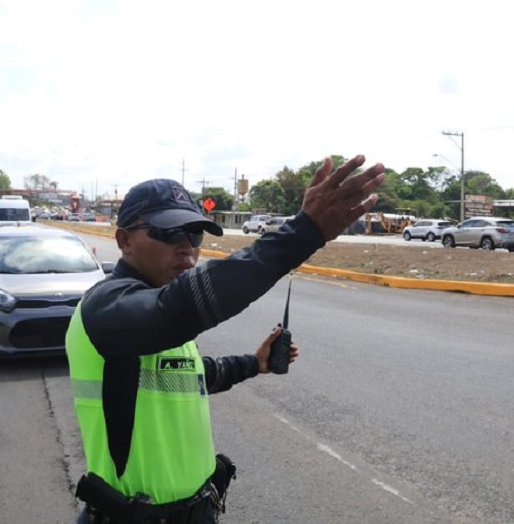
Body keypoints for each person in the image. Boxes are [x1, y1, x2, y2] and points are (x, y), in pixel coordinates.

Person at [66, 155, 384, 523]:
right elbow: (184, 305)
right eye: (169, 233)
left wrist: (256, 363)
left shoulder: (154, 315)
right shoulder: (106, 308)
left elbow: (193, 375)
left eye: (195, 234)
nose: (187, 246)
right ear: (124, 241)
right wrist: (303, 232)